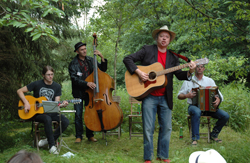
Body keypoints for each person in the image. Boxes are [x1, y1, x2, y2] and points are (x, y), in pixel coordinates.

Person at [123, 25, 196, 163]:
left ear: (169, 40)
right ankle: (148, 157)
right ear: (157, 38)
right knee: (148, 128)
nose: (164, 38)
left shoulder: (173, 56)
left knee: (167, 127)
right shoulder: (147, 49)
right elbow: (127, 59)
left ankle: (163, 155)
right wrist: (139, 72)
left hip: (165, 97)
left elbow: (179, 75)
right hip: (148, 96)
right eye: (161, 36)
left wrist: (190, 71)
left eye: (167, 37)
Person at [17, 65, 69, 154]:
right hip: (38, 114)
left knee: (65, 121)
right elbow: (19, 91)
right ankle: (52, 146)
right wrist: (26, 102)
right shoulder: (37, 84)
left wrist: (62, 105)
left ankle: (47, 140)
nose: (50, 76)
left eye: (52, 74)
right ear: (43, 75)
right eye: (48, 74)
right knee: (47, 119)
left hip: (51, 111)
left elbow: (57, 103)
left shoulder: (57, 86)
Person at [177, 64, 230, 145]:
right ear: (194, 68)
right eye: (198, 66)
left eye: (201, 67)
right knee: (197, 111)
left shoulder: (210, 81)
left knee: (225, 115)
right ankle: (195, 139)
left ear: (204, 69)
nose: (199, 68)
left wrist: (218, 99)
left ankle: (213, 135)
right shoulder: (187, 81)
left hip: (208, 108)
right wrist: (187, 95)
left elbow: (219, 95)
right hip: (193, 107)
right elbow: (179, 96)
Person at [68, 41, 108, 143]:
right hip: (78, 93)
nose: (84, 51)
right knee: (78, 114)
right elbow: (74, 79)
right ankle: (78, 136)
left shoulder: (91, 60)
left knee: (90, 113)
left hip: (90, 93)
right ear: (77, 51)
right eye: (82, 50)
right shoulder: (73, 63)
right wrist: (86, 83)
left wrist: (101, 57)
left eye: (85, 49)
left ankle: (90, 135)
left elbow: (103, 69)